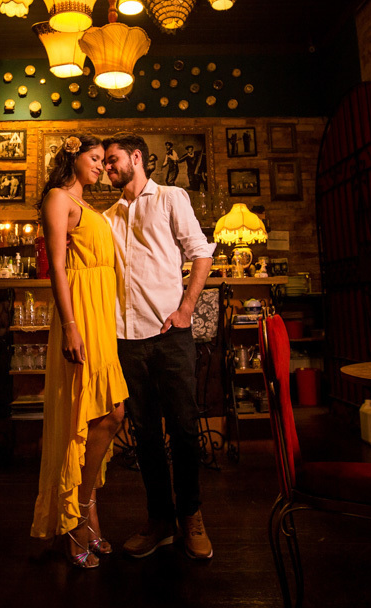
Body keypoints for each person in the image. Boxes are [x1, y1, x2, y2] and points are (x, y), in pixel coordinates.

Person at [102, 133, 216, 560]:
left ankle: (191, 515)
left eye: (113, 159)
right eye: (104, 162)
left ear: (136, 157)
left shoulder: (171, 197)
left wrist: (187, 308)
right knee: (145, 434)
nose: (107, 168)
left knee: (184, 428)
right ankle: (160, 519)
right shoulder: (107, 216)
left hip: (170, 335)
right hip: (126, 339)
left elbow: (201, 254)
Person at [30, 134, 128, 569]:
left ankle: (85, 511)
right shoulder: (58, 198)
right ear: (73, 157)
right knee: (90, 416)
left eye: (105, 161)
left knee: (110, 414)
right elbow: (56, 264)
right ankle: (77, 521)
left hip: (101, 317)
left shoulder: (89, 207)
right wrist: (70, 326)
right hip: (80, 315)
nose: (101, 166)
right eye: (95, 158)